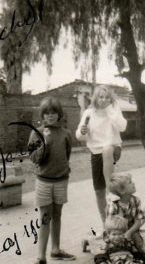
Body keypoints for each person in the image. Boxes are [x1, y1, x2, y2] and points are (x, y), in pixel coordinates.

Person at [27, 97, 76, 264]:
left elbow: (66, 155)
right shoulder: (36, 132)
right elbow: (34, 158)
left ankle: (55, 250)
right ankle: (41, 256)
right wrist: (45, 143)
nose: (50, 116)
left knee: (57, 215)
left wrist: (63, 171)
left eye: (53, 112)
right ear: (42, 115)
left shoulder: (66, 133)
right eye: (47, 113)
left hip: (61, 180)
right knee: (45, 217)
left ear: (59, 114)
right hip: (43, 181)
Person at [75, 85, 127, 224]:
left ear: (111, 98)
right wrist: (83, 132)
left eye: (107, 97)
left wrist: (110, 110)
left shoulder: (114, 110)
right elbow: (79, 136)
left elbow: (123, 127)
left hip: (113, 149)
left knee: (107, 149)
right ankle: (106, 224)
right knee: (98, 190)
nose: (103, 100)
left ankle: (111, 190)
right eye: (100, 97)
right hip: (95, 152)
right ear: (95, 98)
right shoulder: (89, 113)